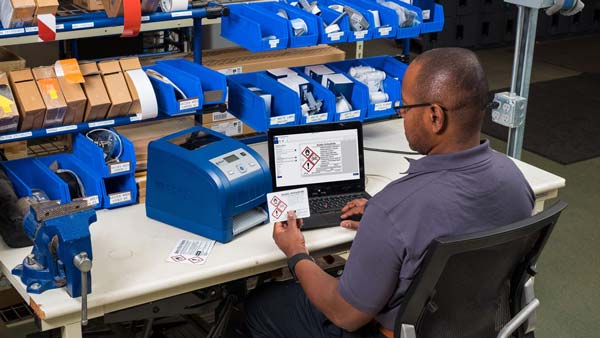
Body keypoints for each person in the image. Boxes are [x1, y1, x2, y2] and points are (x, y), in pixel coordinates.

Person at [245, 47, 535, 338]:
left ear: (435, 117)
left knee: (260, 306)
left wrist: (296, 252)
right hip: (472, 325)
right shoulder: (514, 179)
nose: (401, 114)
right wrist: (385, 228)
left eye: (406, 107)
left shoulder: (395, 208)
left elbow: (345, 314)